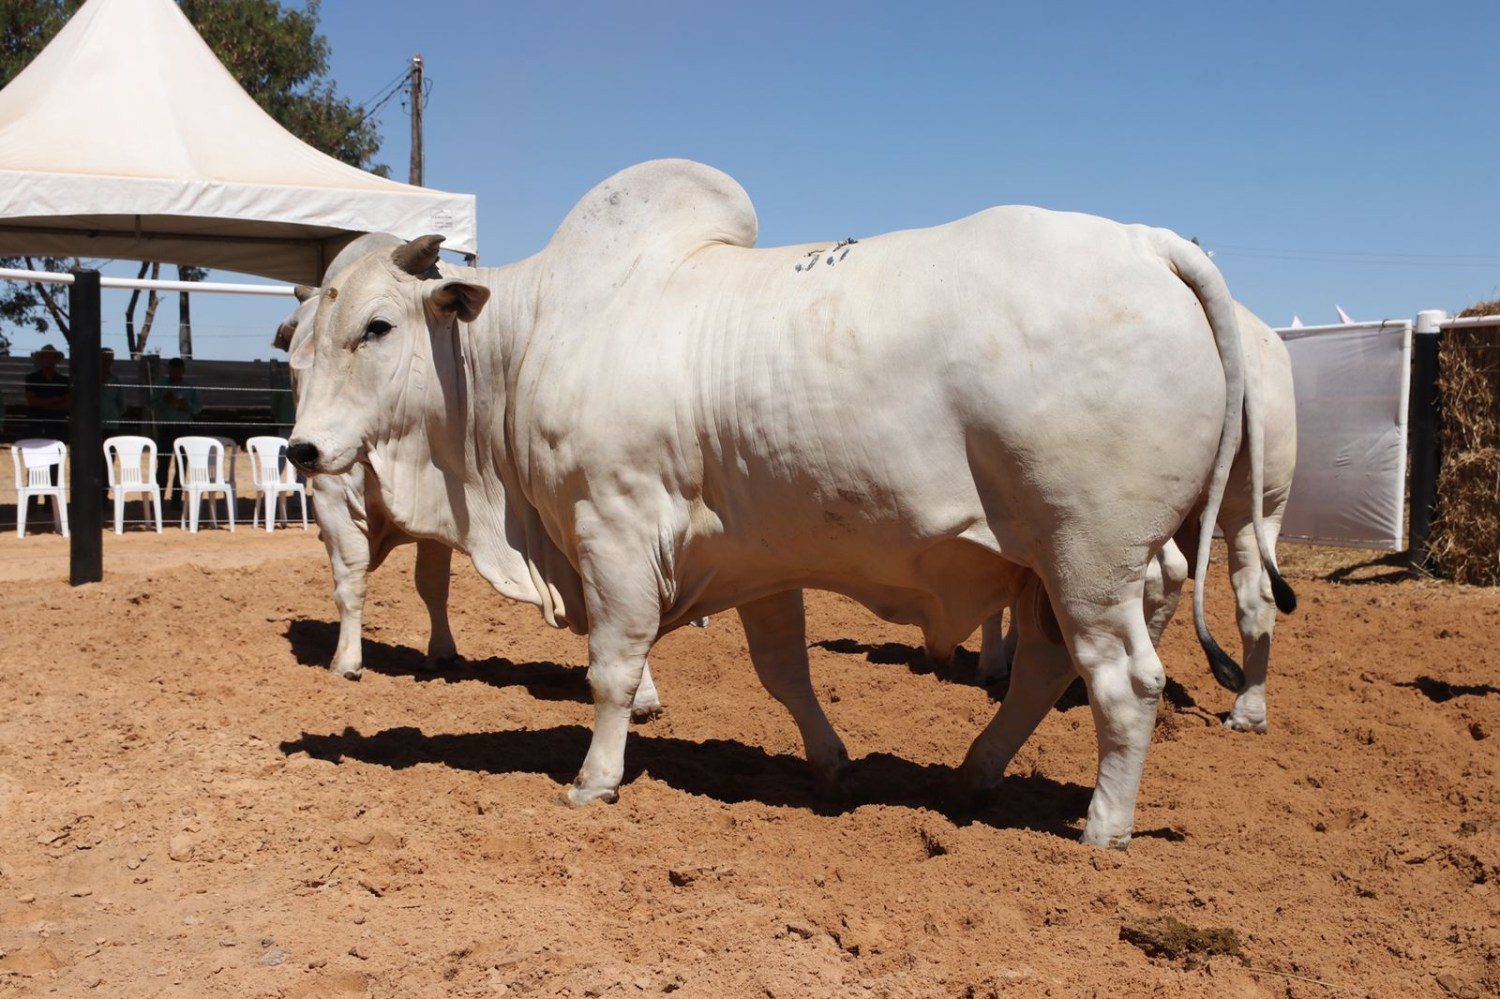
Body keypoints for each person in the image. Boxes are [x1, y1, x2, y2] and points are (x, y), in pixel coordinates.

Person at [150, 357, 203, 491]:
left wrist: (187, 405)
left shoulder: (190, 388)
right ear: (169, 370)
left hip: (183, 429)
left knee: (181, 464)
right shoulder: (161, 386)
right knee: (162, 464)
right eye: (173, 370)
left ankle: (176, 499)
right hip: (165, 428)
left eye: (178, 371)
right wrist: (163, 400)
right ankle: (159, 498)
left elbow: (198, 408)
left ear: (183, 371)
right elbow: (151, 405)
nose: (175, 373)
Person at [23, 343, 70, 441]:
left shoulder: (63, 380)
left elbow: (67, 401)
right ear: (41, 359)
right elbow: (32, 401)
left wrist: (44, 402)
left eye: (52, 357)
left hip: (57, 423)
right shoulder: (32, 378)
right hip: (37, 423)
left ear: (56, 360)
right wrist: (54, 401)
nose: (49, 360)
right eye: (46, 357)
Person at [100, 348, 127, 431]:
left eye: (109, 360)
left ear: (112, 362)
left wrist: (113, 415)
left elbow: (122, 405)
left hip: (111, 425)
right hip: (90, 425)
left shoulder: (115, 380)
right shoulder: (87, 379)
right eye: (103, 360)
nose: (106, 363)